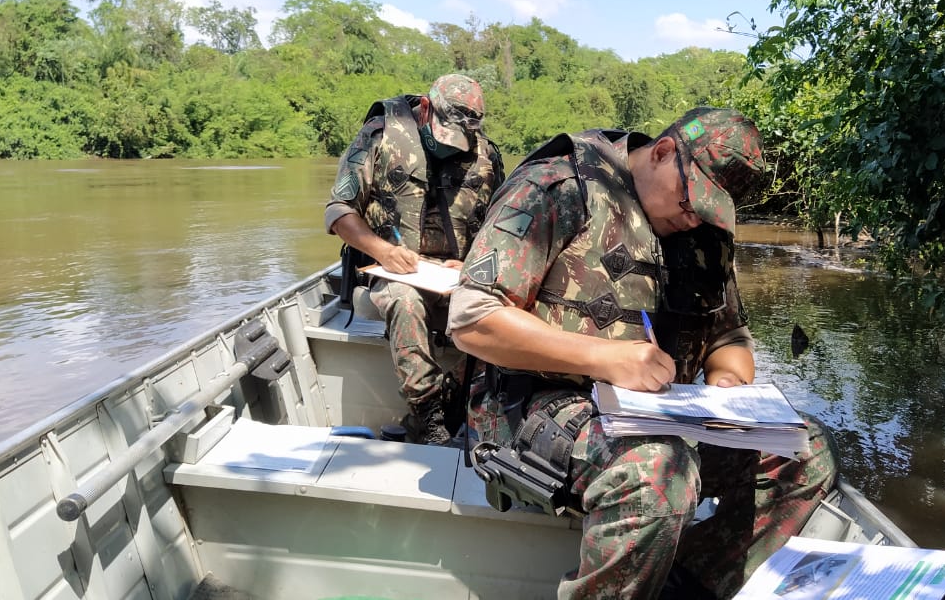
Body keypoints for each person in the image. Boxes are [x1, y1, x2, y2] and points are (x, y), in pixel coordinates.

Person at [447, 107, 837, 599]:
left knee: (808, 449)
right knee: (656, 471)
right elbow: (472, 319)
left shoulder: (701, 234)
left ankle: (690, 582)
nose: (694, 216)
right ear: (663, 151)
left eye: (710, 210)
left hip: (660, 413)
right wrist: (605, 358)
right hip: (532, 408)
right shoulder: (559, 186)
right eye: (690, 199)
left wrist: (727, 388)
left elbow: (729, 338)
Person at [325, 73, 504, 445]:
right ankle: (430, 417)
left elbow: (500, 232)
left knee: (505, 310)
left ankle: (468, 405)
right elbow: (339, 211)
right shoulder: (380, 134)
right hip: (391, 271)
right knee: (406, 301)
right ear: (425, 108)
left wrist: (472, 264)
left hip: (458, 276)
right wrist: (383, 251)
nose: (451, 147)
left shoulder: (487, 156)